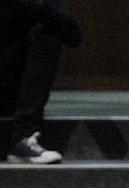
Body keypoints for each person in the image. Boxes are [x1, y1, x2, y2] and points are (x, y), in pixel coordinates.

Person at [0, 0, 81, 163]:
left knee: (47, 38)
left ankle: (22, 138)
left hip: (10, 89)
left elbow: (73, 36)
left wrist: (40, 5)